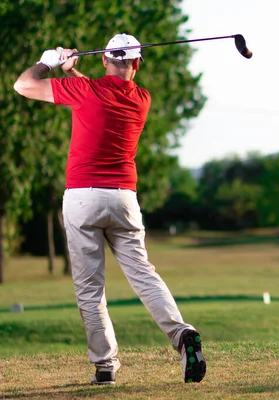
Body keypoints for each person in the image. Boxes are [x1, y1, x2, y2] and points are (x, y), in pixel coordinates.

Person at [13, 33, 206, 385]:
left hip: (82, 198)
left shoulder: (87, 92)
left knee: (90, 288)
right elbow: (99, 95)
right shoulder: (142, 98)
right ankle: (182, 335)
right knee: (143, 275)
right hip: (123, 199)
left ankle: (105, 365)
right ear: (136, 64)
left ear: (103, 60)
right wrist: (72, 73)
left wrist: (48, 62)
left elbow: (23, 85)